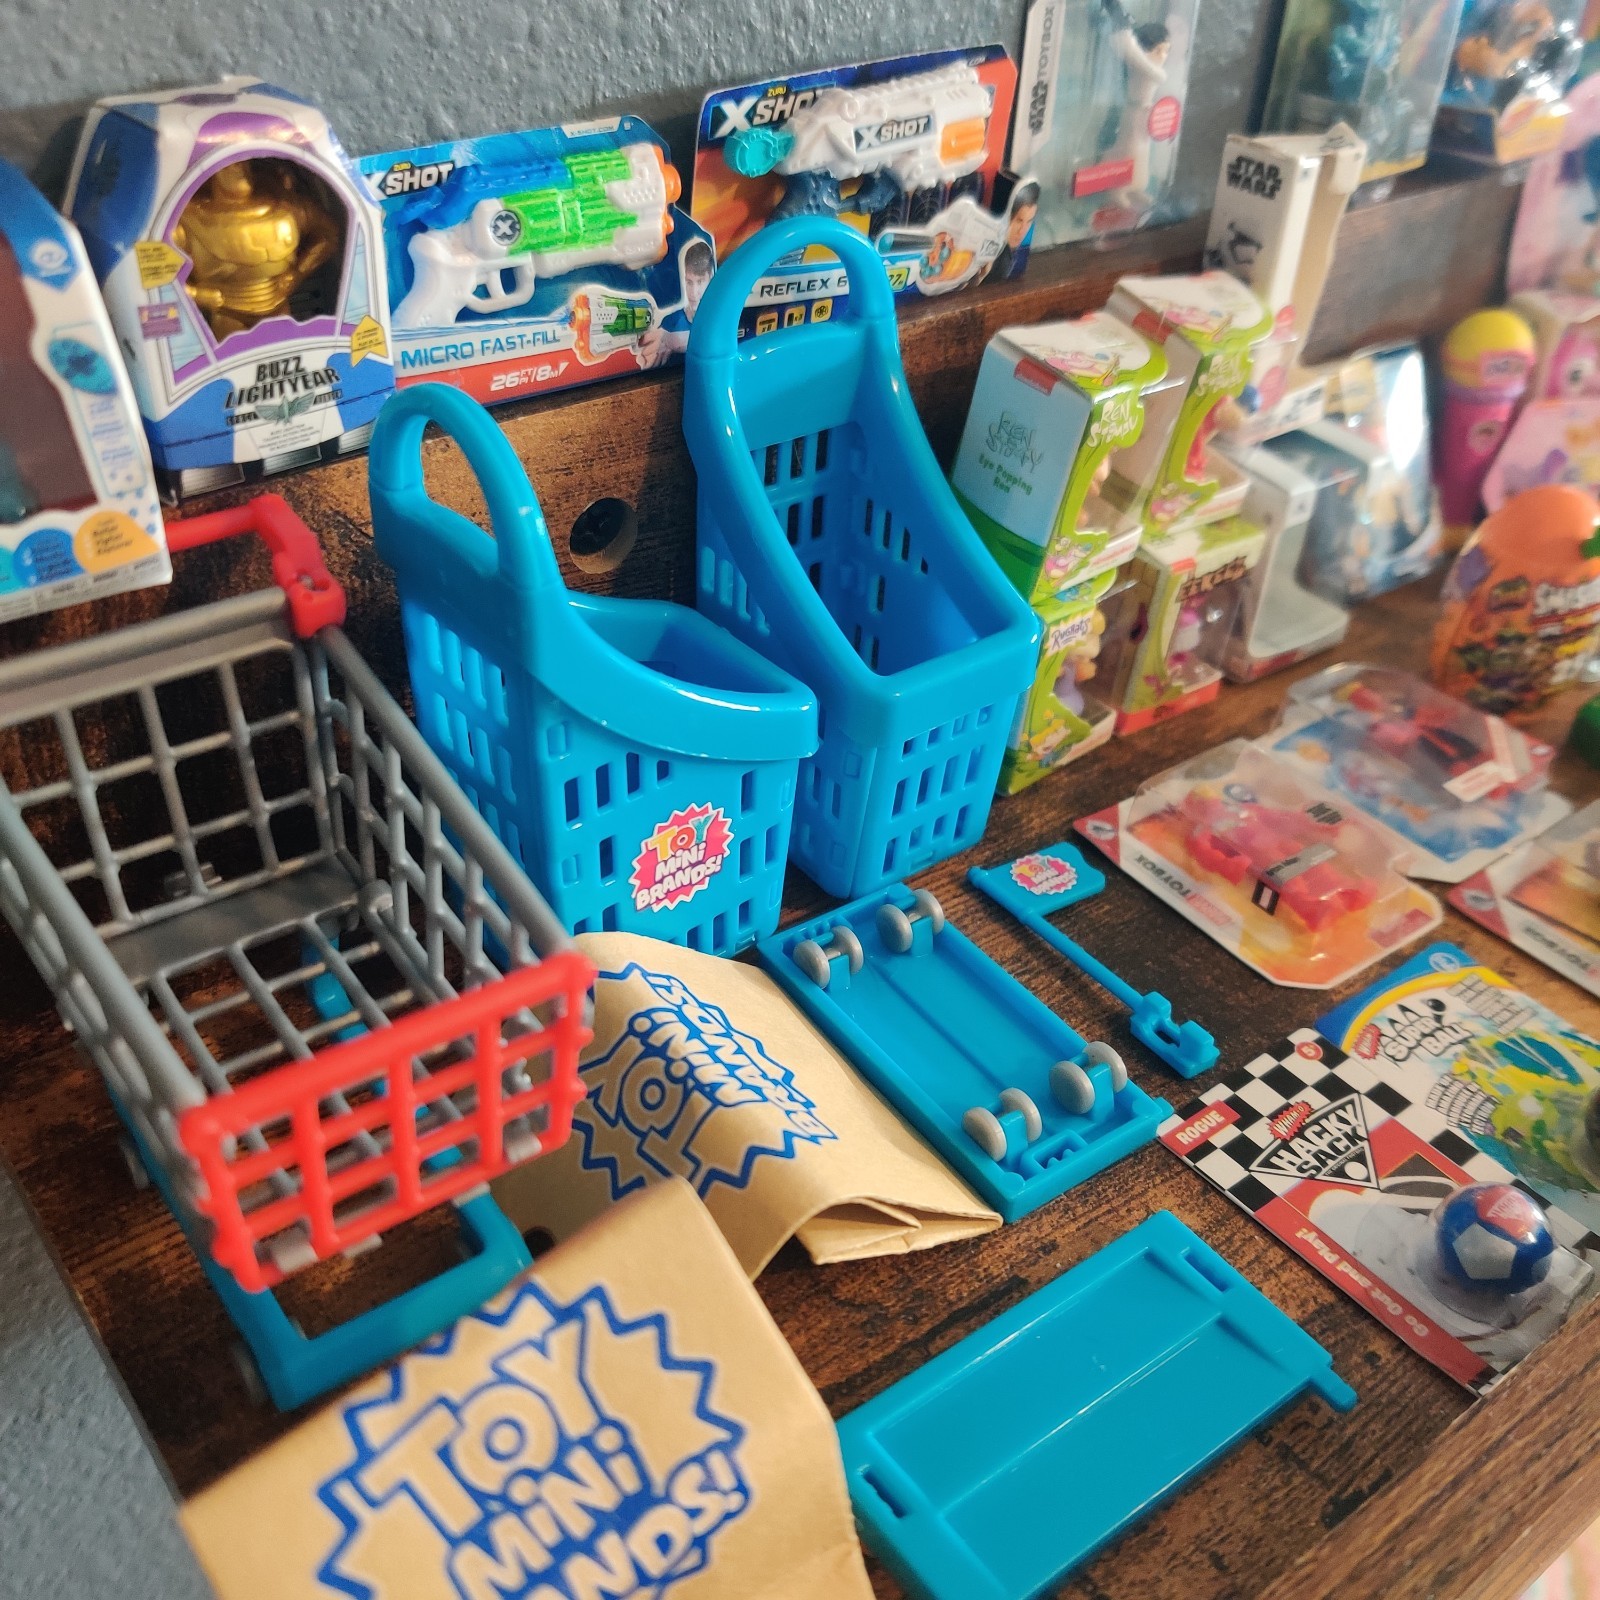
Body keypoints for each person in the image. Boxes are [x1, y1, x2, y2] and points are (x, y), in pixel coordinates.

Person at [636, 237, 713, 367]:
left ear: (710, 277)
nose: (694, 293)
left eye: (700, 282)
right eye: (689, 282)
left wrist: (673, 340)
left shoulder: (721, 313)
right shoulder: (670, 321)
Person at [989, 181, 1040, 282]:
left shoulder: (1007, 258)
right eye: (1019, 221)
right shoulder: (1001, 258)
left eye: (1029, 221)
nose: (1022, 231)